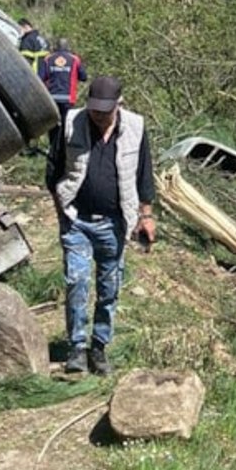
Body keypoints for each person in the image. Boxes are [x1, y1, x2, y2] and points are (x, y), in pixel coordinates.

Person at [52, 76, 155, 375]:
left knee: (109, 289)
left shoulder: (135, 128)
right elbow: (54, 168)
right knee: (77, 283)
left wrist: (145, 216)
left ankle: (99, 347)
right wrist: (60, 209)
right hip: (77, 221)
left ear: (118, 105)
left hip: (114, 224)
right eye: (94, 109)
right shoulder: (72, 122)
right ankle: (76, 348)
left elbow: (144, 173)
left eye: (104, 111)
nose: (98, 116)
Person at [38, 38, 87, 188]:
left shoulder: (48, 59)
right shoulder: (74, 60)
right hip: (68, 99)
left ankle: (52, 154)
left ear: (55, 47)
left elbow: (40, 78)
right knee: (66, 129)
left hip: (52, 99)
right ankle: (64, 157)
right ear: (68, 47)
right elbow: (83, 77)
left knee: (53, 129)